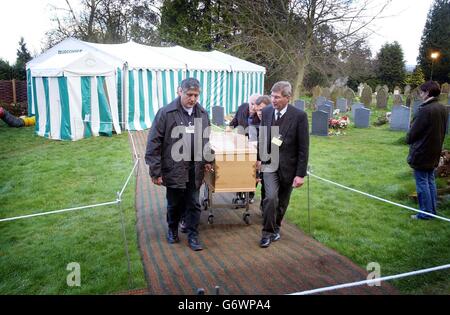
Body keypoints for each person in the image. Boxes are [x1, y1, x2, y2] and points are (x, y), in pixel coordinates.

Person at [145, 78, 212, 251]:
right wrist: (155, 171)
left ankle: (193, 235)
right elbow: (154, 143)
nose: (193, 99)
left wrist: (208, 160)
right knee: (174, 203)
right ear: (179, 91)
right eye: (189, 94)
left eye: (196, 95)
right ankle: (172, 229)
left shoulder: (203, 114)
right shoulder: (166, 113)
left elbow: (206, 141)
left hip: (195, 167)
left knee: (194, 203)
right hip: (173, 167)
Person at [257, 81, 309, 248]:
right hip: (269, 165)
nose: (273, 100)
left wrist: (300, 174)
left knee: (282, 203)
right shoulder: (266, 112)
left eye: (277, 97)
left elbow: (303, 147)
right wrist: (259, 158)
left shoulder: (299, 116)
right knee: (271, 198)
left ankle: (276, 228)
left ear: (288, 97)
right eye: (272, 96)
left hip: (289, 167)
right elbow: (263, 137)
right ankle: (267, 233)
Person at [406, 81, 448, 220]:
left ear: (428, 92)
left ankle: (425, 214)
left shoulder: (426, 109)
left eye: (422, 92)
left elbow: (414, 132)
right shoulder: (442, 108)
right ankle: (431, 211)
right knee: (430, 181)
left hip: (423, 151)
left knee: (422, 182)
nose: (420, 94)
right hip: (434, 150)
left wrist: (408, 138)